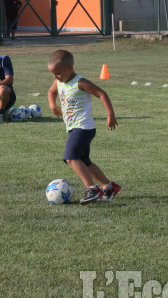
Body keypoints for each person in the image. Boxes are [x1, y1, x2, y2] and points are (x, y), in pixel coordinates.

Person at [47, 50, 121, 204]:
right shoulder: (59, 82)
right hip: (74, 128)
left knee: (70, 157)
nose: (55, 77)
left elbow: (101, 93)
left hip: (83, 127)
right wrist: (53, 105)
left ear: (69, 68)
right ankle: (108, 187)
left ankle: (91, 189)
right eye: (53, 74)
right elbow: (51, 91)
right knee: (84, 161)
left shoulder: (80, 82)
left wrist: (111, 115)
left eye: (58, 73)